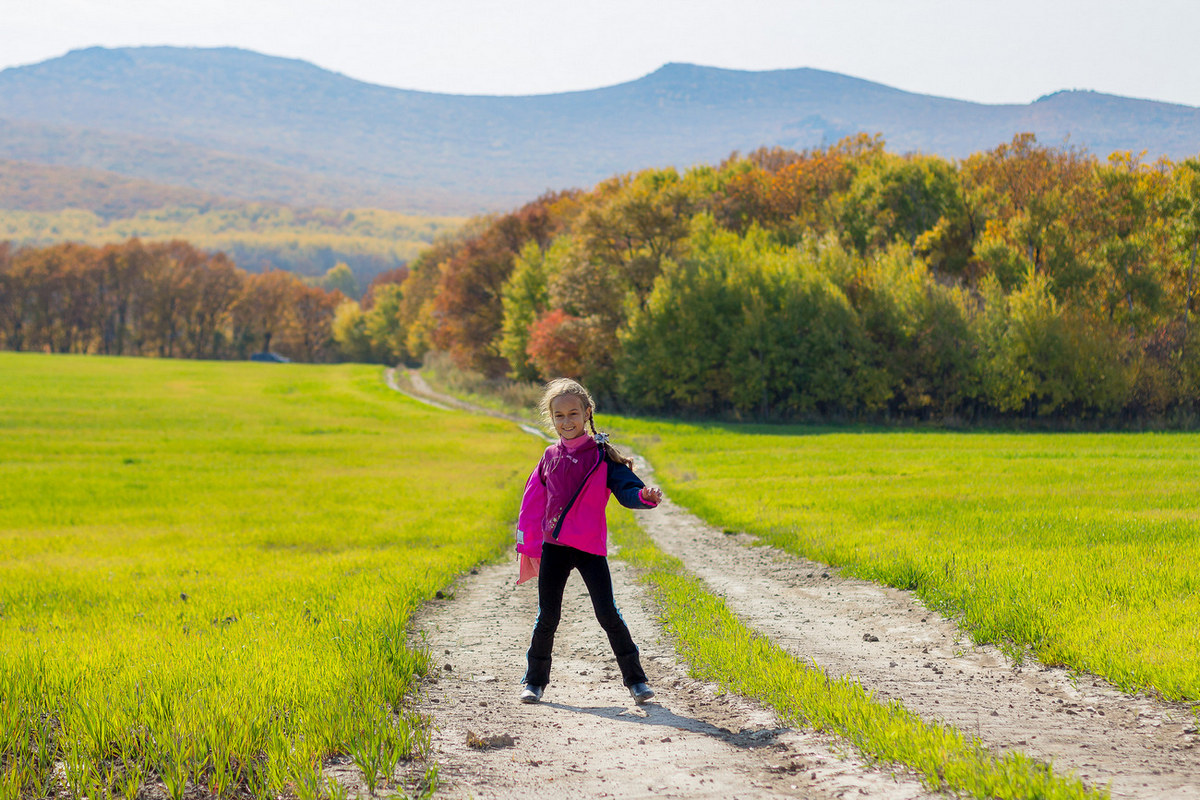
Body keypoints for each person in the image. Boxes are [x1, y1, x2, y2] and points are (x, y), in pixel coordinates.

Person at [515, 378, 663, 705]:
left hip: (589, 549)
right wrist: (528, 542)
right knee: (547, 617)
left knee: (607, 613)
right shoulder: (549, 455)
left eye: (573, 414)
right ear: (551, 418)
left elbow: (627, 490)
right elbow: (532, 502)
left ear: (586, 414)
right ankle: (534, 681)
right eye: (559, 416)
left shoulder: (601, 456)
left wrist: (644, 496)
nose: (566, 422)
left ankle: (636, 681)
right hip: (555, 548)